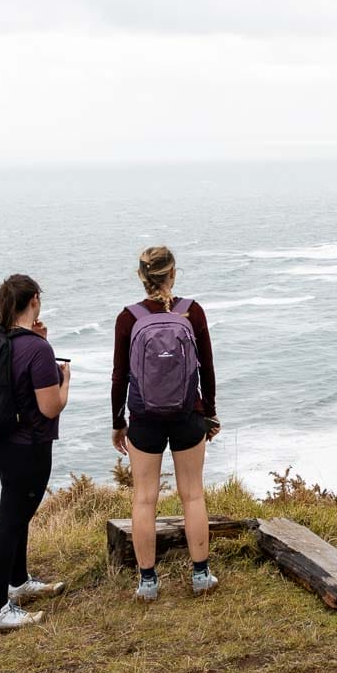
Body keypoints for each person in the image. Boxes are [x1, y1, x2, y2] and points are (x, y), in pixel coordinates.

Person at [110, 246, 221, 600]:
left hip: (144, 418)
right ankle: (200, 575)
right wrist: (210, 413)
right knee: (193, 494)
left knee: (144, 499)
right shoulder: (192, 312)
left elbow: (119, 376)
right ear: (173, 274)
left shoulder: (128, 318)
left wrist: (118, 422)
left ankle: (147, 581)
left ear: (141, 278)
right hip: (188, 413)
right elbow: (207, 367)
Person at [0, 273, 70, 632]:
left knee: (17, 511)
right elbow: (50, 407)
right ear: (34, 299)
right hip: (30, 446)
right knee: (11, 521)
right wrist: (65, 383)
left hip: (2, 443)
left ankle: (17, 581)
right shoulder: (37, 349)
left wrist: (39, 341)